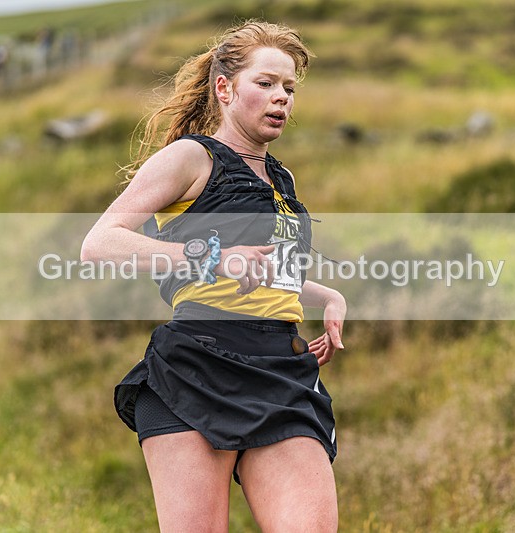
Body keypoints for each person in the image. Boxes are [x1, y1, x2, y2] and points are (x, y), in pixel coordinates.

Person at [81, 19, 346, 532]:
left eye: (289, 88)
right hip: (196, 366)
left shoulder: (281, 178)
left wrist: (327, 295)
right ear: (224, 88)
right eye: (265, 84)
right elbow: (100, 242)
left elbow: (270, 271)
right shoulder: (191, 157)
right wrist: (213, 257)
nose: (281, 99)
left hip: (281, 370)